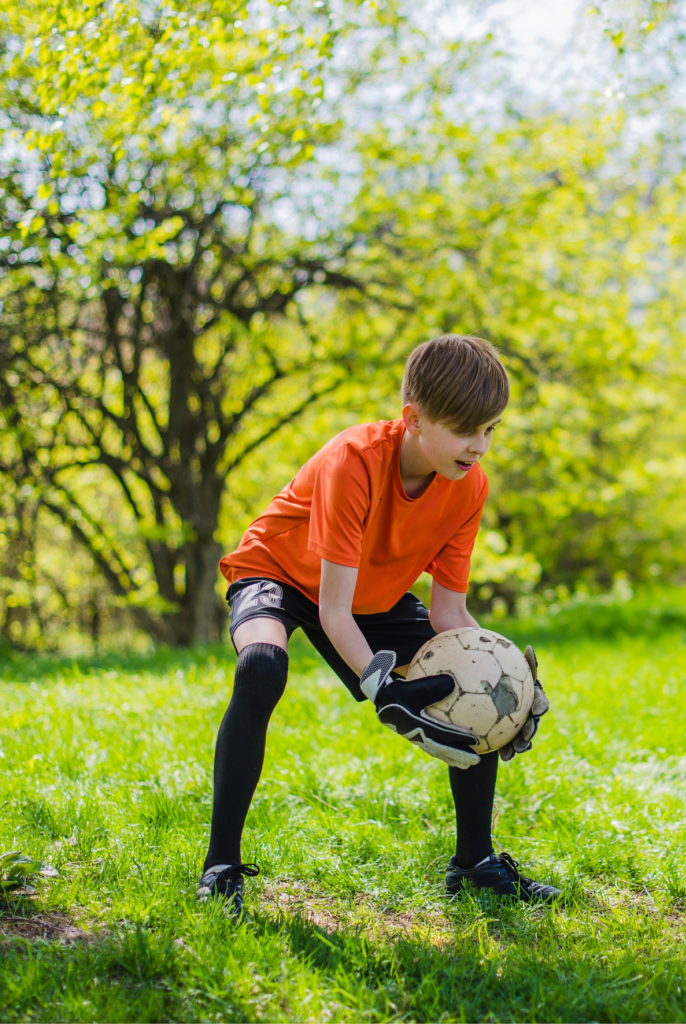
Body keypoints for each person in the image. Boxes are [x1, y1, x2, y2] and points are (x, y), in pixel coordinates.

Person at [197, 334, 558, 916]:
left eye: (490, 429)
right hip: (279, 573)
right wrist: (380, 683)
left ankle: (474, 864)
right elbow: (330, 610)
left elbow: (449, 615)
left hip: (366, 595)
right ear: (413, 419)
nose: (480, 446)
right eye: (467, 429)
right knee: (261, 669)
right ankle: (220, 867)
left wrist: (508, 673)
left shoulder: (469, 485)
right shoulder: (355, 459)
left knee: (475, 668)